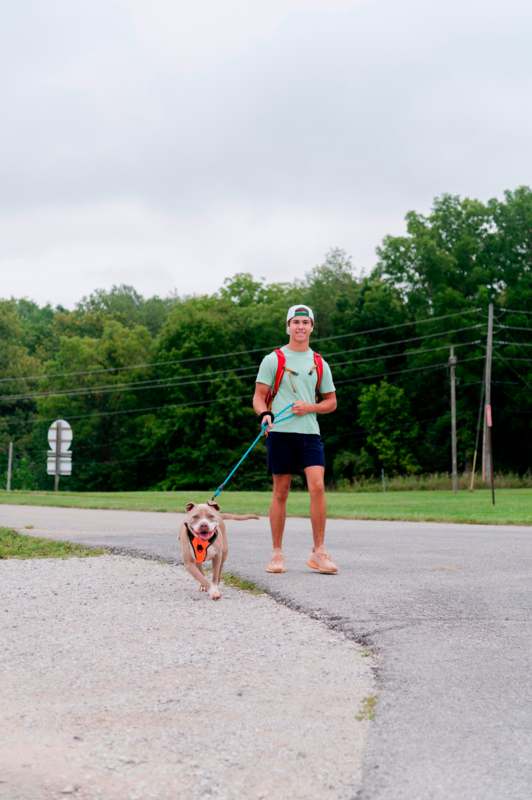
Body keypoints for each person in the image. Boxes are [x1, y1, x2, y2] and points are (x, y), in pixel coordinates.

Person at [253, 304, 338, 574]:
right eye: (296, 322)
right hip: (280, 433)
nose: (300, 327)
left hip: (310, 434)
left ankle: (319, 553)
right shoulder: (273, 359)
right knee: (281, 491)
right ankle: (277, 554)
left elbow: (331, 402)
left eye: (305, 322)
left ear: (312, 327)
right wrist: (265, 413)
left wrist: (310, 407)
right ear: (288, 326)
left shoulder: (319, 363)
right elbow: (258, 396)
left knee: (318, 487)